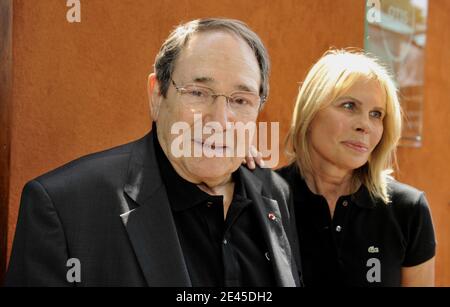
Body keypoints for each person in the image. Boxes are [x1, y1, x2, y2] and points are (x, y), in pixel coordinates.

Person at [5, 18, 301, 287]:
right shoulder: (64, 208)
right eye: (197, 92)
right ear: (157, 95)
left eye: (240, 100)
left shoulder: (275, 194)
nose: (220, 121)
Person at [247, 49, 436, 286]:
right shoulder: (265, 199)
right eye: (349, 106)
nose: (365, 125)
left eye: (376, 114)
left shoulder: (408, 209)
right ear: (311, 110)